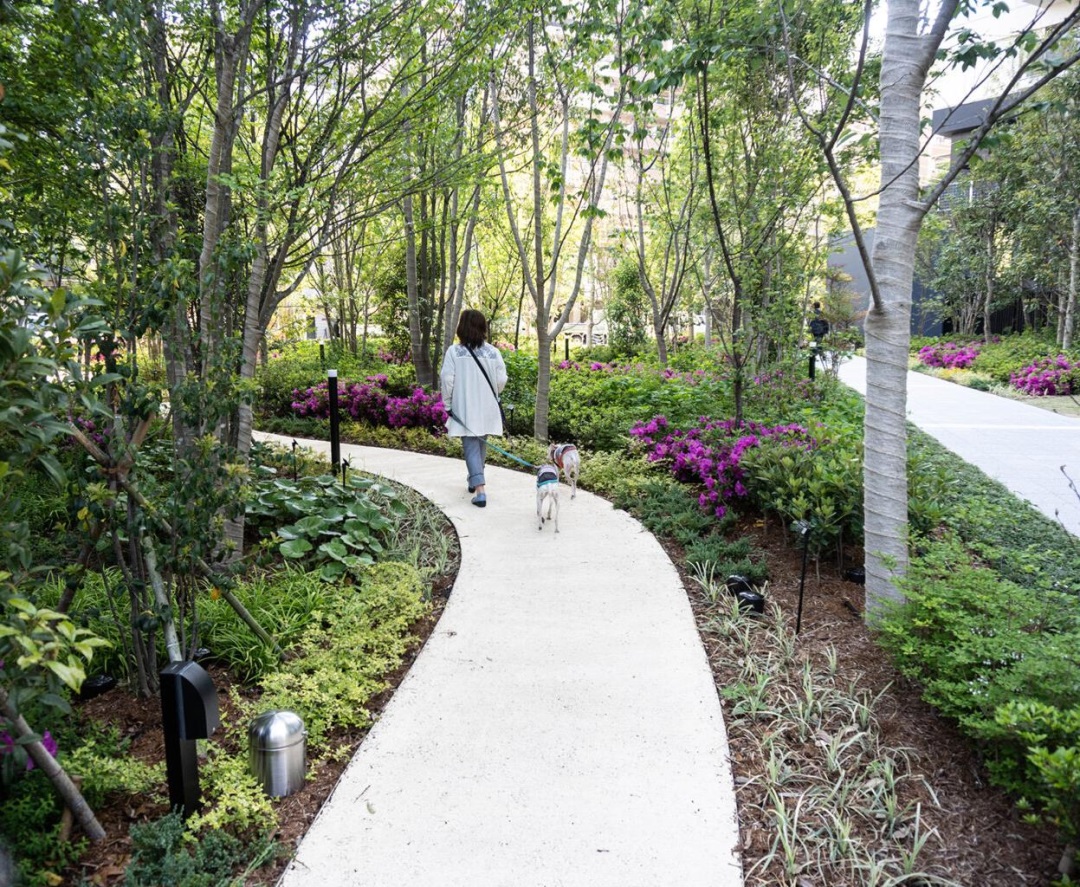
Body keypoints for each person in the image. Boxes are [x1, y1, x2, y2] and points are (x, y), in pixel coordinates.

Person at [440, 309, 507, 508]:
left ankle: (480, 491)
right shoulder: (493, 352)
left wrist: (448, 404)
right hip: (487, 406)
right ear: (482, 327)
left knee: (471, 445)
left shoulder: (454, 352)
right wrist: (492, 393)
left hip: (466, 406)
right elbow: (501, 379)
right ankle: (473, 479)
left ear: (461, 327)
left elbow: (447, 380)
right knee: (480, 444)